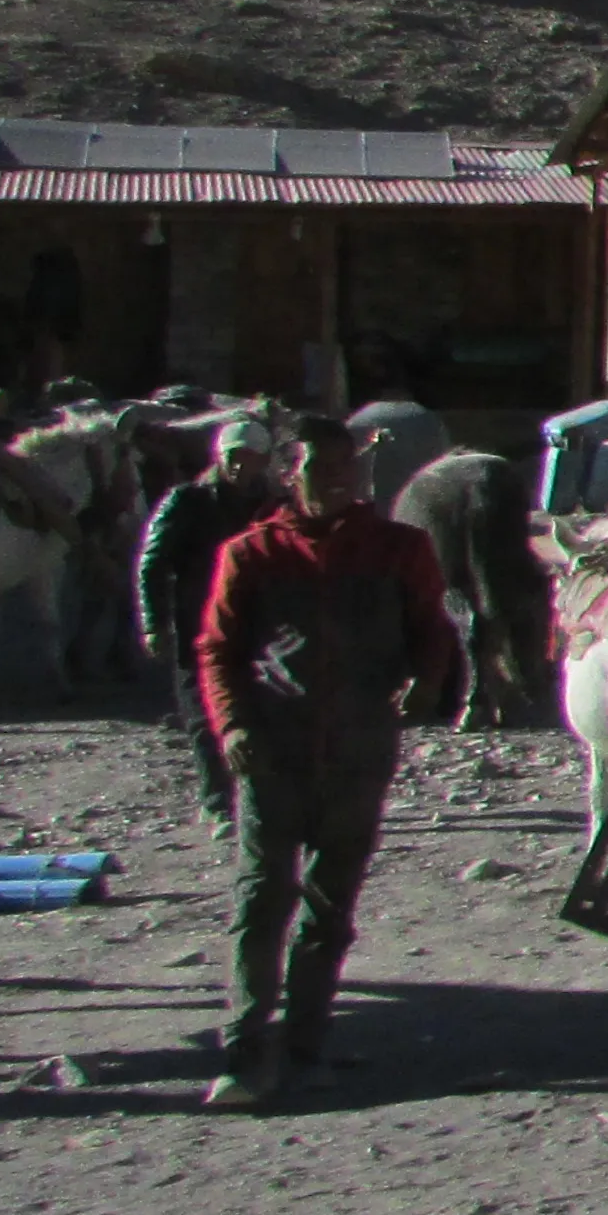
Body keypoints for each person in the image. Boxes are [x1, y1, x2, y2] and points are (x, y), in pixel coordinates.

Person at [191, 414, 457, 1112]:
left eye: (349, 467)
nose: (338, 480)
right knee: (260, 896)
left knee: (330, 907)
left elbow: (432, 628)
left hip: (360, 750)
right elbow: (218, 649)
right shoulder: (252, 554)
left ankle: (306, 1045)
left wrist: (426, 681)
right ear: (288, 475)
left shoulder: (400, 549)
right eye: (320, 468)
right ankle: (247, 1045)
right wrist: (233, 725)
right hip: (274, 746)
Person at [136, 417, 283, 831]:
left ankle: (260, 799)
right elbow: (154, 562)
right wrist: (155, 622)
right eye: (233, 458)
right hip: (197, 622)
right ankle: (217, 802)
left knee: (261, 708)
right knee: (203, 717)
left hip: (258, 625)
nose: (240, 467)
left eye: (249, 458)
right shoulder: (188, 501)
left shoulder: (273, 505)